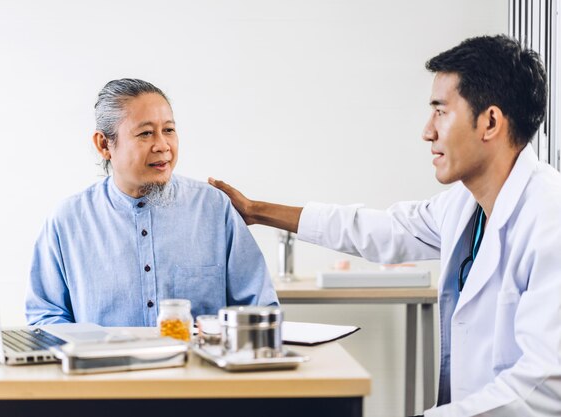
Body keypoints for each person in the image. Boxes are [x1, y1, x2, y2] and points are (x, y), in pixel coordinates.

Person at [209, 35, 561, 416]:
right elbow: (379, 229)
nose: (427, 131)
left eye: (440, 111)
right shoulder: (465, 206)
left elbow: (543, 387)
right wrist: (256, 210)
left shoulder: (549, 217)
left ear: (490, 121)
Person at [26, 78, 278, 327]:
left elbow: (260, 309)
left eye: (168, 130)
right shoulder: (68, 220)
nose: (163, 145)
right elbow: (45, 317)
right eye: (146, 133)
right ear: (104, 144)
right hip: (105, 367)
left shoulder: (213, 208)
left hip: (197, 366)